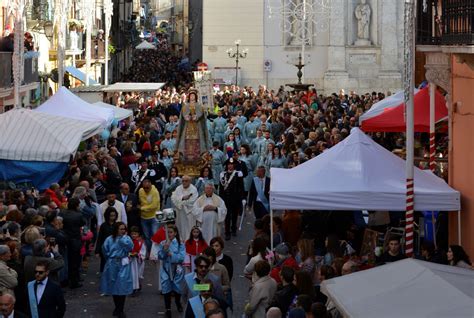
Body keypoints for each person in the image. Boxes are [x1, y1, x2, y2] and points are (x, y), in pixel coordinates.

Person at [100, 222, 134, 318]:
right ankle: (117, 307)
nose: (123, 231)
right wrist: (110, 260)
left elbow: (130, 248)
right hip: (112, 264)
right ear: (116, 229)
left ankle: (120, 309)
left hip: (123, 263)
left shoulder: (127, 238)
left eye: (124, 229)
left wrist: (123, 239)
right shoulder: (109, 239)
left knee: (122, 285)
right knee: (113, 285)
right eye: (121, 229)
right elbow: (105, 250)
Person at [157, 224, 185, 317]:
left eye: (171, 232)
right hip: (166, 268)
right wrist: (164, 250)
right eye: (167, 232)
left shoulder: (180, 244)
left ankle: (178, 302)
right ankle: (168, 308)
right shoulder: (163, 243)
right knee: (166, 287)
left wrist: (172, 254)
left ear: (175, 233)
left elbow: (181, 257)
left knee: (177, 287)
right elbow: (160, 256)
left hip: (177, 269)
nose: (169, 234)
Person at [176, 91, 211, 163]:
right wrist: (186, 117)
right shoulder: (185, 106)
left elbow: (201, 114)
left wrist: (197, 116)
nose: (192, 97)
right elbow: (183, 115)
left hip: (197, 127)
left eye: (193, 96)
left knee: (197, 142)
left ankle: (198, 158)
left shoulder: (199, 106)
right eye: (191, 96)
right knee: (187, 142)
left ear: (196, 97)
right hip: (188, 127)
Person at [59, 198, 85, 289]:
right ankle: (74, 281)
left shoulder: (62, 213)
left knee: (67, 260)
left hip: (65, 238)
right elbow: (83, 223)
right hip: (75, 239)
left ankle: (67, 279)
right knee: (75, 262)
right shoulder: (78, 215)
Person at [219, 159, 244, 240]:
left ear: (234, 165)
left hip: (235, 198)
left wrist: (243, 198)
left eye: (231, 164)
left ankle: (233, 229)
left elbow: (241, 187)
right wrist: (221, 198)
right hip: (226, 198)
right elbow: (221, 188)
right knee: (227, 216)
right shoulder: (223, 174)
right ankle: (227, 232)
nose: (230, 166)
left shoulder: (238, 174)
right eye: (228, 164)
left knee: (234, 215)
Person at [172, 175, 198, 241]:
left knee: (189, 228)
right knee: (180, 228)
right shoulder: (178, 188)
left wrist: (181, 201)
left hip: (189, 212)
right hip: (180, 212)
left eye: (186, 181)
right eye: (183, 181)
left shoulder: (193, 189)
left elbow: (192, 201)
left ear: (190, 181)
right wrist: (183, 198)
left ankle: (189, 241)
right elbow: (174, 199)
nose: (184, 182)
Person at [138, 179, 160, 254]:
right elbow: (143, 202)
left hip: (154, 217)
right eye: (144, 188)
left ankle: (156, 252)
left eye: (147, 188)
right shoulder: (141, 191)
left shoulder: (155, 192)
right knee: (147, 236)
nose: (146, 189)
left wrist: (142, 208)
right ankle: (149, 252)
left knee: (154, 235)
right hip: (143, 217)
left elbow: (154, 206)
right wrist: (147, 206)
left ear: (150, 185)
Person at [95, 207, 118, 273]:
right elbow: (100, 238)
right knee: (104, 263)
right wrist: (97, 251)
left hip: (114, 248)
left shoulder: (117, 225)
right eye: (111, 216)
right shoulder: (103, 225)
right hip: (105, 248)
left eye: (114, 215)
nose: (112, 217)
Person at [129, 226, 146, 294]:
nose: (134, 235)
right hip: (131, 261)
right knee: (132, 275)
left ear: (138, 234)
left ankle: (138, 284)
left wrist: (138, 255)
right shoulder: (129, 242)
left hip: (138, 261)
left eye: (135, 234)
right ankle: (133, 289)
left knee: (138, 275)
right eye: (132, 234)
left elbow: (143, 252)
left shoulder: (140, 243)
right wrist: (130, 254)